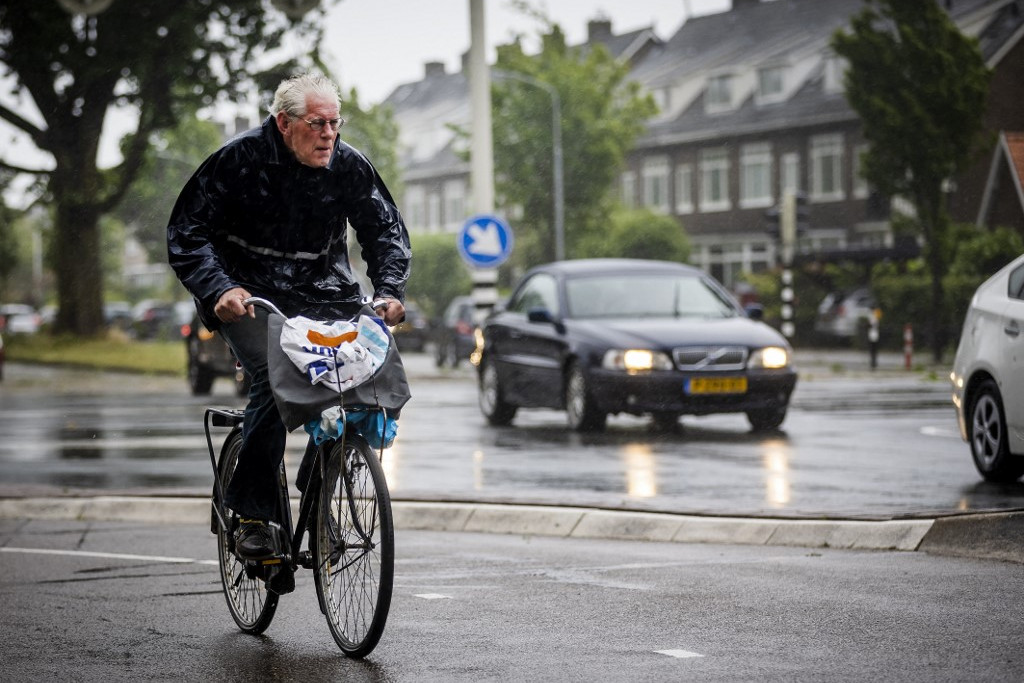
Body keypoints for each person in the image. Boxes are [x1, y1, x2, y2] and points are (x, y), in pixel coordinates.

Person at [167, 72, 411, 560]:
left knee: (364, 376)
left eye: (335, 123)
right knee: (273, 375)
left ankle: (320, 485)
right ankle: (253, 514)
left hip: (324, 291)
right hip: (246, 294)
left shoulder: (348, 166)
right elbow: (188, 232)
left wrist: (387, 290)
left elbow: (384, 231)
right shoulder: (239, 160)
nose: (329, 134)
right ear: (284, 122)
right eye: (317, 123)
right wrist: (218, 288)